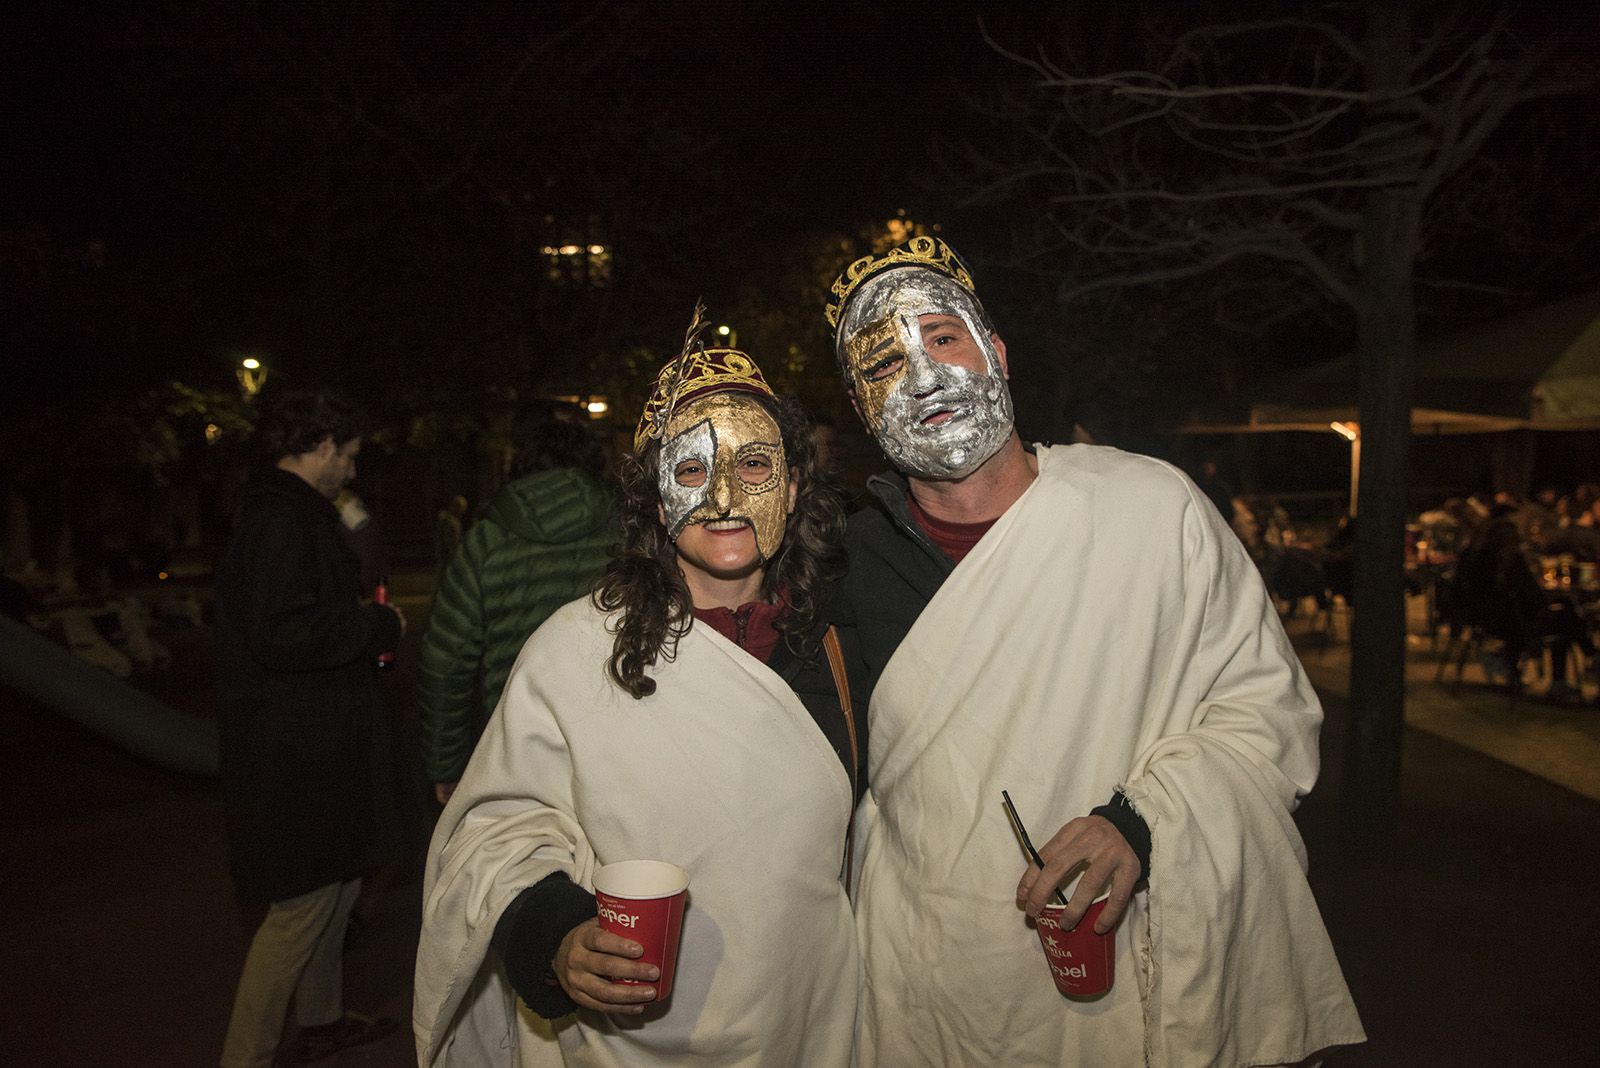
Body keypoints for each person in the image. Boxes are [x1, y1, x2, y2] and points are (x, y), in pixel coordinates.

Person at [823, 236, 1364, 1066]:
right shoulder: (845, 564)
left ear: (996, 353)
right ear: (861, 405)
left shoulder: (1149, 509)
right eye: (883, 362)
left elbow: (1270, 715)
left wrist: (1141, 823)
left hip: (1123, 962)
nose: (923, 373)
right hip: (931, 984)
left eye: (941, 336)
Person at [414, 334, 864, 1066]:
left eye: (753, 465)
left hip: (808, 1022)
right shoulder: (575, 649)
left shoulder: (841, 643)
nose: (723, 498)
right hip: (629, 1043)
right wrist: (556, 935)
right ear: (656, 501)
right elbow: (494, 830)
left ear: (790, 488)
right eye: (691, 469)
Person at [213, 391, 408, 1067]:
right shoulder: (280, 520)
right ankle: (246, 1057)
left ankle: (322, 1021)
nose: (350, 470)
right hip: (296, 752)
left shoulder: (290, 513)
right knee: (300, 907)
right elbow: (285, 633)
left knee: (339, 883)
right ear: (321, 445)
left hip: (316, 742)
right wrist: (379, 625)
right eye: (348, 454)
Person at [416, 410, 618, 805]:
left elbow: (446, 662)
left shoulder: (487, 540)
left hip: (518, 748)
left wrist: (447, 766)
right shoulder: (630, 528)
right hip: (617, 739)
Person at [435, 494, 469, 567]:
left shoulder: (451, 520)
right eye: (462, 509)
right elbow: (448, 540)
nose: (462, 512)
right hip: (449, 556)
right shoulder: (449, 521)